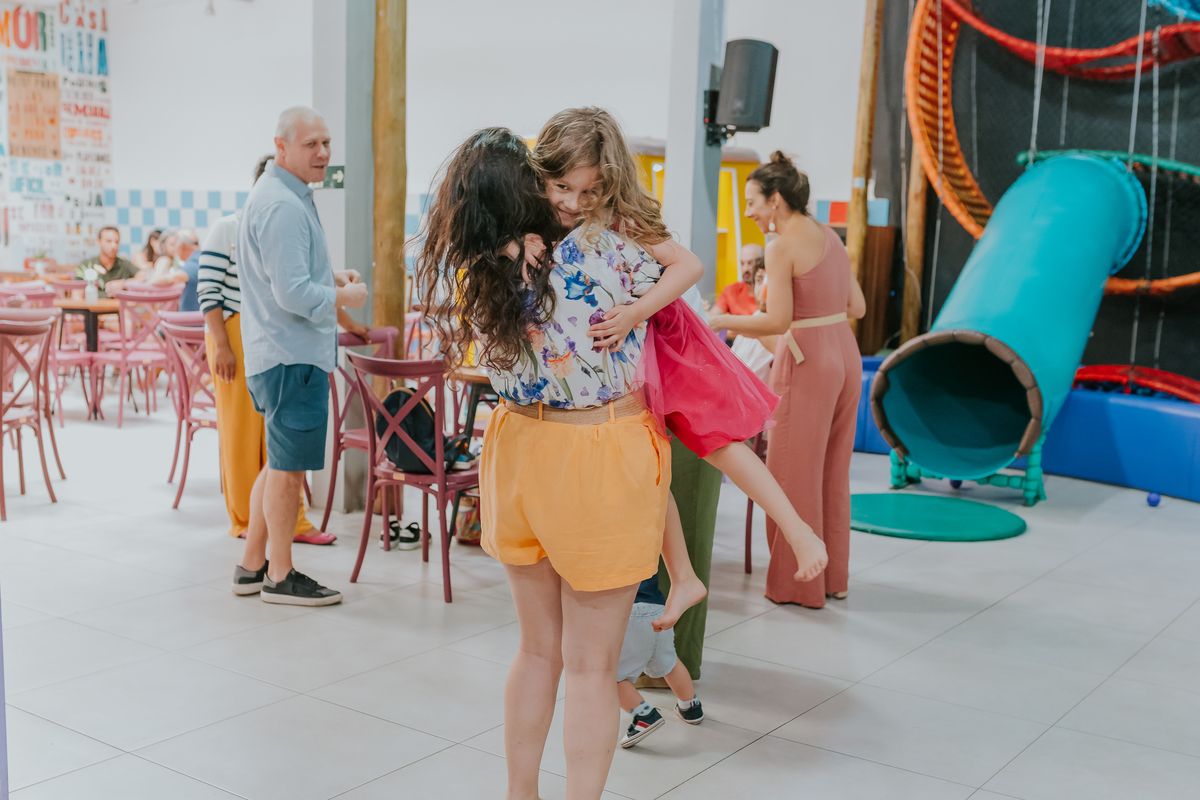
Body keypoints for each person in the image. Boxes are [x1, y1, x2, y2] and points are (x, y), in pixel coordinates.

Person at [417, 127, 699, 800]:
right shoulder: (605, 248)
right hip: (597, 452)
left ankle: (520, 794)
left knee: (536, 650)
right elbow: (683, 272)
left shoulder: (475, 271)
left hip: (515, 453)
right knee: (592, 667)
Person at [711, 151, 867, 608]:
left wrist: (719, 320)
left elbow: (778, 321)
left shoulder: (781, 247)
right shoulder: (829, 236)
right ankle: (834, 578)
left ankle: (797, 585)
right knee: (833, 472)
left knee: (792, 472)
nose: (749, 212)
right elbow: (856, 307)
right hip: (846, 354)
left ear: (775, 200)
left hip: (807, 360)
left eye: (752, 202)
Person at [233, 106, 368, 606]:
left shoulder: (280, 195)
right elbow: (291, 294)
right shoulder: (283, 205)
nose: (323, 153)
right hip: (291, 357)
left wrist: (329, 278)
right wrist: (342, 297)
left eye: (326, 143)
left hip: (279, 353)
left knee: (278, 464)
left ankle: (252, 565)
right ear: (282, 147)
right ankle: (281, 575)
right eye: (311, 144)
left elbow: (284, 274)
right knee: (289, 471)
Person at [201, 154, 344, 547]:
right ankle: (246, 521)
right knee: (241, 433)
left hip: (271, 334)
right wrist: (222, 346)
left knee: (279, 439)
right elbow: (208, 292)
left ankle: (289, 522)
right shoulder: (229, 227)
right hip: (235, 333)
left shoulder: (290, 222)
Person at [616, 575, 703, 749]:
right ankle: (690, 706)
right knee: (669, 662)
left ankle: (644, 716)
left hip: (628, 612)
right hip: (659, 608)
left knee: (610, 677)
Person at [729, 265, 777, 382]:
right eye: (759, 280)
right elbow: (731, 365)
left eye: (770, 281)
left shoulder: (787, 329)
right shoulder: (753, 318)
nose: (764, 290)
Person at [75, 226, 138, 297]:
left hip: (118, 304)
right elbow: (76, 294)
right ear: (98, 242)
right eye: (109, 241)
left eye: (117, 242)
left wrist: (124, 283)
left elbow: (142, 277)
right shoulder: (86, 264)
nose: (113, 246)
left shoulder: (124, 264)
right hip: (92, 304)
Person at [712, 243, 763, 317]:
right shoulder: (731, 290)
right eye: (742, 263)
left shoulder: (771, 293)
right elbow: (713, 317)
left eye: (750, 263)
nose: (745, 269)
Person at [176, 229, 202, 310]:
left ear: (182, 246)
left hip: (194, 315)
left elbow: (175, 277)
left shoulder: (196, 259)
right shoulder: (201, 256)